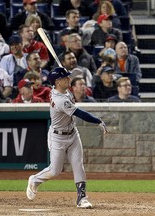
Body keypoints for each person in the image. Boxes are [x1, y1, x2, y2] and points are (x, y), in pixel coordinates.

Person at [26, 67, 107, 208]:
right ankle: (35, 180)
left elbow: (65, 87)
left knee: (78, 165)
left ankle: (82, 198)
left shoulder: (64, 91)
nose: (69, 79)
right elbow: (80, 113)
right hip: (57, 137)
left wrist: (62, 73)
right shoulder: (60, 100)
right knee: (55, 170)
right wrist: (98, 121)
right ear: (57, 82)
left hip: (72, 134)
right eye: (65, 78)